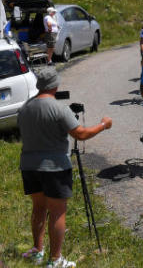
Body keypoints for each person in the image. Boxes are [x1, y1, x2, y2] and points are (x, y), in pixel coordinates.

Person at [18, 67, 112, 268]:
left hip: (29, 165)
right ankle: (55, 259)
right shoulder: (59, 108)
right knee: (58, 212)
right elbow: (81, 134)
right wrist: (103, 125)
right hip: (54, 167)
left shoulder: (25, 108)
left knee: (38, 208)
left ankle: (37, 251)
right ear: (55, 85)